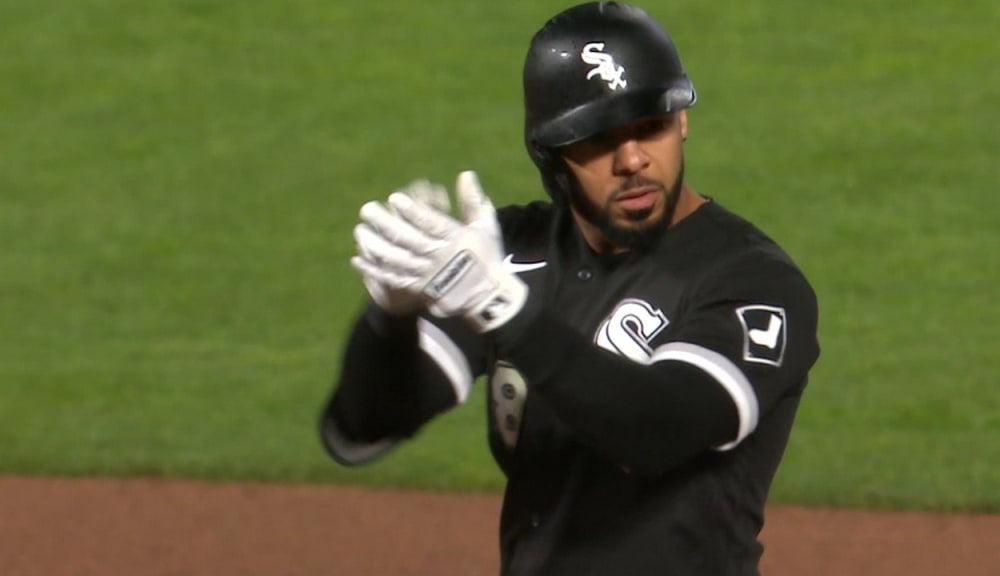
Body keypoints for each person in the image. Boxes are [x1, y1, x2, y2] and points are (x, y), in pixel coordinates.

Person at [319, 2, 820, 574]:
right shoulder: (510, 251)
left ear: (682, 120)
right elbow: (370, 422)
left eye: (650, 126)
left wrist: (502, 309)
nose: (632, 160)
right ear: (550, 155)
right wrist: (393, 317)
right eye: (599, 139)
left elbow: (660, 428)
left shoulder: (751, 280)